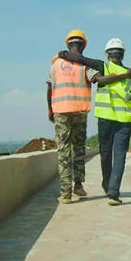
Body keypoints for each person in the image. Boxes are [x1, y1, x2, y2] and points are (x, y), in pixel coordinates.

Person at [59, 38, 131, 206]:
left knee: (106, 155)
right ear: (123, 54)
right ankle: (114, 194)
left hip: (105, 119)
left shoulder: (103, 66)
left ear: (107, 54)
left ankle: (107, 185)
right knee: (119, 157)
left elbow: (79, 59)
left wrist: (63, 54)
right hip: (124, 121)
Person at [46, 29, 97, 204]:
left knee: (64, 151)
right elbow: (97, 78)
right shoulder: (85, 65)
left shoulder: (55, 64)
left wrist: (50, 110)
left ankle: (65, 193)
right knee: (79, 148)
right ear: (83, 46)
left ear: (68, 45)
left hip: (60, 111)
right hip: (80, 112)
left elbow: (49, 88)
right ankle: (78, 186)